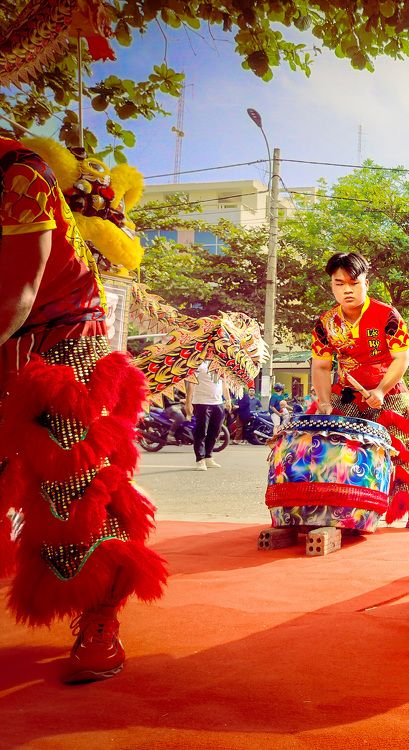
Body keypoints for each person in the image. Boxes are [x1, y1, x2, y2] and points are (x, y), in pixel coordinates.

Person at [0, 138, 166, 684]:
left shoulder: (17, 171)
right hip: (11, 345)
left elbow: (16, 295)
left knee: (77, 492)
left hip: (63, 348)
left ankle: (100, 616)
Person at [311, 251, 409, 530]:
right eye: (339, 283)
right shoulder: (324, 323)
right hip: (347, 390)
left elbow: (402, 357)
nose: (347, 289)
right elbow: (322, 367)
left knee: (404, 449)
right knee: (331, 445)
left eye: (354, 282)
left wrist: (383, 390)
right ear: (332, 285)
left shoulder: (387, 315)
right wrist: (325, 402)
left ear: (366, 283)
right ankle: (340, 509)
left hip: (389, 389)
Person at [185, 361, 230, 469]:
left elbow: (224, 383)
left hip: (218, 403)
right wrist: (188, 402)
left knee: (215, 432)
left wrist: (228, 399)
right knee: (201, 432)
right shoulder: (198, 363)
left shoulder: (220, 363)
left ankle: (208, 457)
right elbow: (191, 383)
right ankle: (200, 460)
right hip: (201, 402)